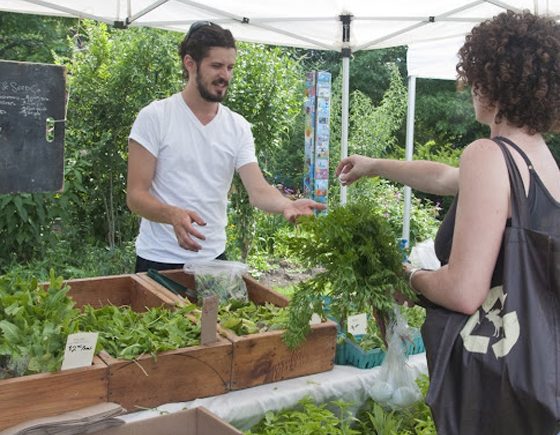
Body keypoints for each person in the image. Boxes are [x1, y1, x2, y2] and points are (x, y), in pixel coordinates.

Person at [336, 10, 560, 434]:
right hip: (538, 371)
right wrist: (376, 165)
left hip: (494, 382)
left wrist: (406, 275)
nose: (470, 87)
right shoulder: (542, 164)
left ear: (494, 81)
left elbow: (462, 291)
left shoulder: (488, 155)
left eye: (477, 76)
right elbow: (443, 177)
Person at [127, 21, 325, 273]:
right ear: (190, 64)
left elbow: (258, 190)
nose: (225, 76)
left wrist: (286, 204)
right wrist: (172, 215)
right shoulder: (155, 117)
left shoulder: (237, 126)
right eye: (216, 66)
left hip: (214, 261)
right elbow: (135, 196)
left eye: (230, 67)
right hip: (159, 260)